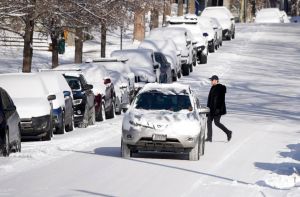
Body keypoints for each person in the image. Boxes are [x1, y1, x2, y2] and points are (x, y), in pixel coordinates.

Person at [206, 75, 232, 142]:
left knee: (217, 122)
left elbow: (221, 99)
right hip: (211, 109)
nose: (211, 81)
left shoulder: (220, 88)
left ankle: (228, 132)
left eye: (212, 80)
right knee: (209, 121)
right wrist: (207, 110)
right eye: (211, 80)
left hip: (217, 109)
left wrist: (218, 109)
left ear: (215, 80)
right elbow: (210, 100)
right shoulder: (212, 88)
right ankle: (209, 138)